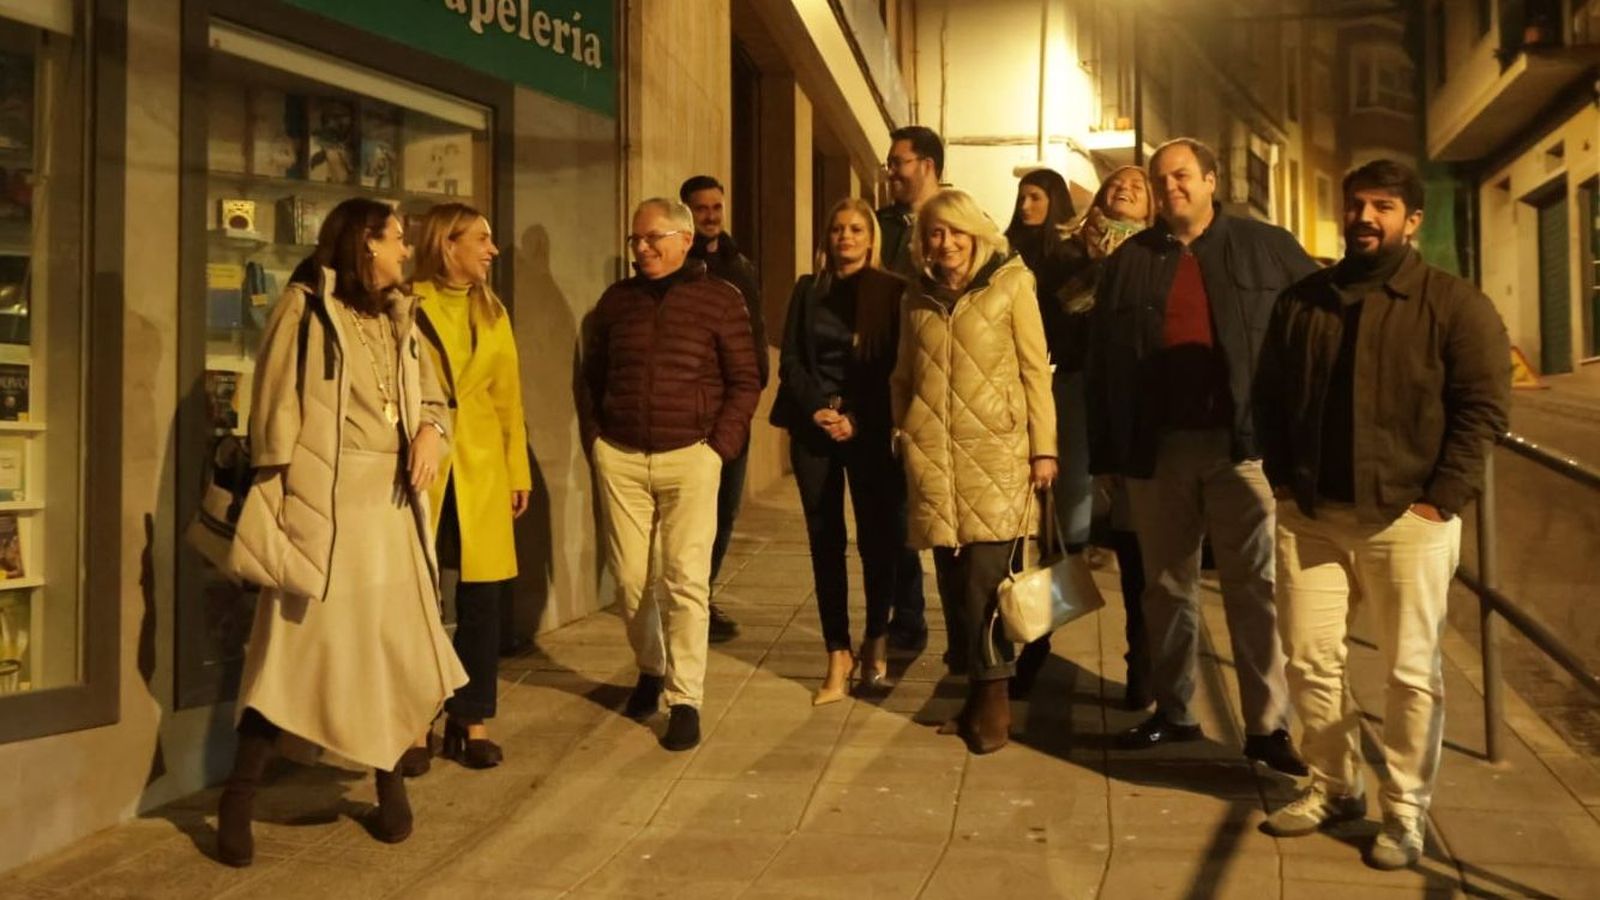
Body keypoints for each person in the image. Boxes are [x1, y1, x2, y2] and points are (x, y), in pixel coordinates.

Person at [1256, 160, 1510, 869]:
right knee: (1308, 661)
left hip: (1408, 517)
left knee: (1409, 672)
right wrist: (1281, 482)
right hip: (1311, 514)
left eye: (1384, 206)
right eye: (1357, 204)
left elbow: (1484, 408)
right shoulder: (1304, 300)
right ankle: (1335, 785)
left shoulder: (1454, 305)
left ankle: (1405, 811)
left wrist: (1441, 500)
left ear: (1412, 220)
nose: (1366, 216)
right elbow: (1269, 398)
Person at [218, 198, 468, 867]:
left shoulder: (402, 315)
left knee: (389, 652)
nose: (406, 251)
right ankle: (237, 800)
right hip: (323, 512)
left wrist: (430, 432)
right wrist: (288, 508)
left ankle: (391, 792)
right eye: (396, 240)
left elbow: (439, 399)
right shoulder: (305, 308)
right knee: (293, 660)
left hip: (392, 511)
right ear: (366, 244)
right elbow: (269, 420)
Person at [1087, 138, 1314, 775]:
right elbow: (1106, 362)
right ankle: (1175, 710)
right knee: (1166, 586)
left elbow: (1317, 322)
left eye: (1182, 176)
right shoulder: (1130, 261)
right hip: (1158, 450)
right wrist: (1105, 452)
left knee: (1255, 590)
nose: (1170, 188)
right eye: (1161, 181)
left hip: (1244, 448)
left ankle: (1267, 727)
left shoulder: (1265, 246)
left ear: (1211, 180)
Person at [578, 198, 761, 752]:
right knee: (632, 581)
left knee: (685, 580)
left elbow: (746, 379)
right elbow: (591, 377)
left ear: (684, 239)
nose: (642, 249)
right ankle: (651, 667)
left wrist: (717, 450)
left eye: (653, 238)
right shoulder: (617, 302)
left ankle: (685, 699)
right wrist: (597, 442)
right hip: (623, 457)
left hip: (691, 456)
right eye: (636, 240)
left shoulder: (720, 300)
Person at [891, 188, 1057, 754]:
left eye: (955, 232)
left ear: (975, 234)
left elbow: (1037, 372)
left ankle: (995, 705)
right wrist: (903, 429)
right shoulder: (914, 296)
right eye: (935, 234)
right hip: (935, 459)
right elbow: (902, 374)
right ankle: (971, 695)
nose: (946, 244)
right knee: (955, 584)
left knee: (989, 583)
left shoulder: (1012, 284)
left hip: (999, 456)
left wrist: (1045, 450)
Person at [771, 197, 914, 704]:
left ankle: (877, 636)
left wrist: (854, 416)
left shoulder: (890, 292)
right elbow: (791, 359)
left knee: (879, 538)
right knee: (824, 541)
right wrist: (818, 410)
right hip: (815, 428)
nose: (845, 237)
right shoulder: (808, 290)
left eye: (856, 229)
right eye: (837, 229)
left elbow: (892, 367)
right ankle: (837, 652)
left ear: (871, 238)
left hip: (869, 427)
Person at [408, 202, 532, 771]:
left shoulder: (493, 310)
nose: (492, 249)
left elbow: (509, 396)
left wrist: (517, 472)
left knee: (482, 600)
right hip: (425, 467)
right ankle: (413, 720)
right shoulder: (407, 303)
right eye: (481, 238)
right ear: (447, 243)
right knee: (418, 599)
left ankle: (471, 716)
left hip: (481, 470)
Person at [1066, 166, 1158, 710]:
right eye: (1117, 183)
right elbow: (1059, 311)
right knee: (1065, 536)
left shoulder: (1157, 255)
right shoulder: (1072, 249)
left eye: (1137, 186)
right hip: (1077, 400)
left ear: (1150, 207)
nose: (1124, 189)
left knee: (1137, 550)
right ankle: (1036, 649)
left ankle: (1142, 670)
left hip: (1134, 410)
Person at [1002, 167, 1087, 698]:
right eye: (1022, 196)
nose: (1027, 204)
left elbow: (1076, 325)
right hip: (1006, 394)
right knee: (1011, 526)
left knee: (1058, 529)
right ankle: (1009, 634)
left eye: (1036, 196)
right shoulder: (1003, 252)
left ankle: (1041, 637)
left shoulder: (1070, 259)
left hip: (1057, 391)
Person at [681, 174, 769, 644]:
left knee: (724, 510)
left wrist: (755, 384)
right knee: (692, 512)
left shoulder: (741, 267)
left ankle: (704, 594)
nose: (711, 216)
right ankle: (687, 599)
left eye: (716, 207)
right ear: (686, 214)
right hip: (692, 413)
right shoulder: (678, 267)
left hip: (734, 412)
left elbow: (755, 331)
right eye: (701, 208)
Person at [875, 125, 944, 655]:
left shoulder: (960, 219)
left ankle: (970, 640)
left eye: (899, 161)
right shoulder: (879, 226)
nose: (891, 170)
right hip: (886, 380)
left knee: (945, 514)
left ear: (927, 163)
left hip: (942, 388)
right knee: (892, 511)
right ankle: (908, 616)